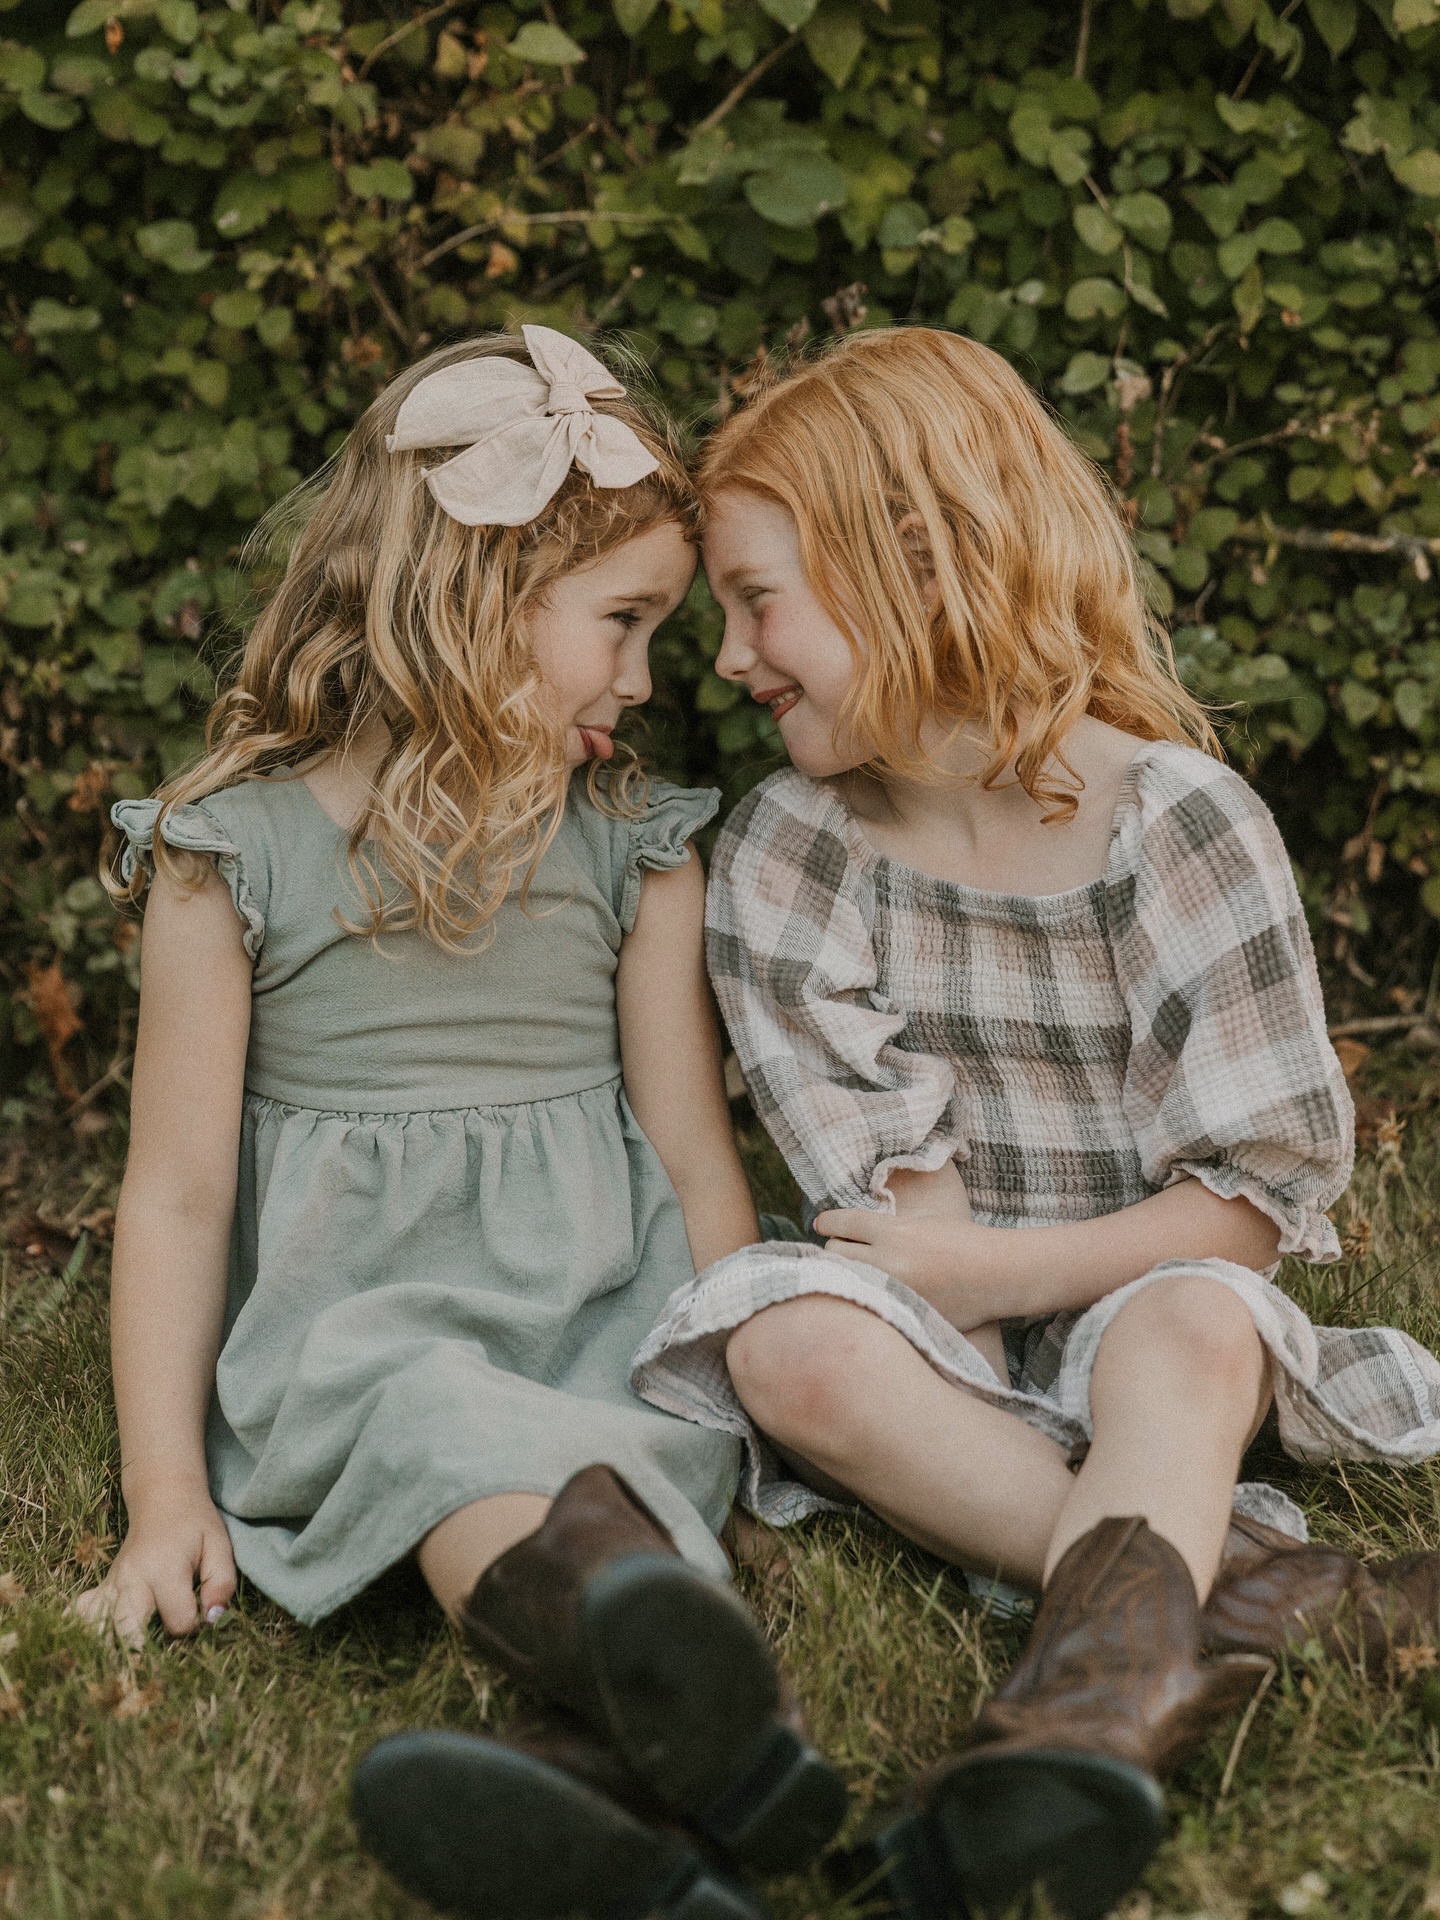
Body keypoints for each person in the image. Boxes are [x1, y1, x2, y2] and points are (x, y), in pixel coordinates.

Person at [632, 326, 1440, 1920]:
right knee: (786, 1345)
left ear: (916, 566)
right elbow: (901, 1219)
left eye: (755, 600)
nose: (728, 657)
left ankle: (1074, 1722)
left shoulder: (1176, 823)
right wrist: (966, 1301)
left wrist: (1007, 1275)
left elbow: (1245, 1203)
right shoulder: (793, 852)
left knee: (1193, 1328)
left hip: (1150, 1294)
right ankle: (1299, 1604)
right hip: (948, 1338)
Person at [78, 327, 845, 1920]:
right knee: (440, 1427)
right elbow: (172, 1195)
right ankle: (650, 1677)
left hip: (599, 1302)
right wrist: (169, 1497)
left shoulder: (634, 844)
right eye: (622, 624)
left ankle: (646, 1720)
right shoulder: (235, 850)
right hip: (355, 1325)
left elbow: (696, 1150)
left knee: (586, 1454)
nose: (644, 681)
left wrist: (744, 1414)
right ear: (471, 590)